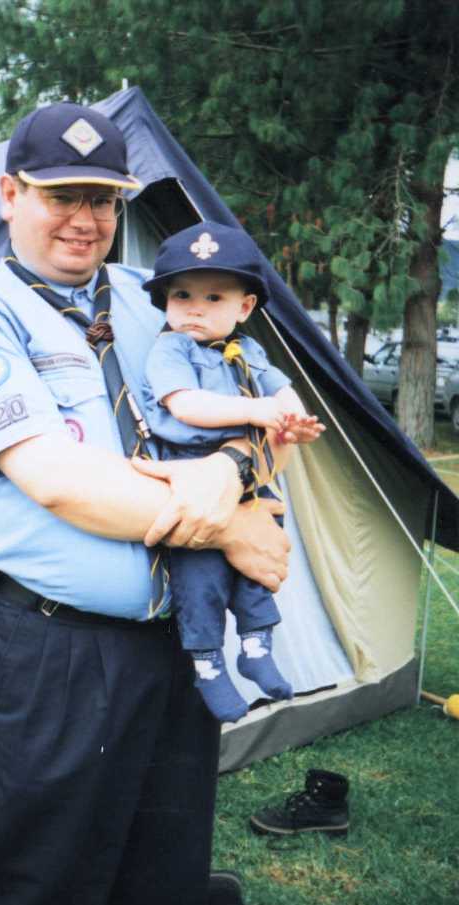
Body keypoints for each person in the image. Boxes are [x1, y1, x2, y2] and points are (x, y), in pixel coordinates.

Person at [0, 101, 290, 905]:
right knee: (39, 890)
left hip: (176, 643)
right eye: (61, 195)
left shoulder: (154, 297)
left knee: (162, 891)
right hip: (54, 645)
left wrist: (237, 470)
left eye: (104, 197)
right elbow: (58, 478)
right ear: (10, 193)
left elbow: (250, 403)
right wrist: (231, 518)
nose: (86, 219)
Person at [142, 222, 325, 722]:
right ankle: (208, 664)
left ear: (244, 308)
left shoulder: (248, 350)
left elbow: (281, 392)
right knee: (199, 575)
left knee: (261, 557)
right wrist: (256, 413)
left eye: (213, 296)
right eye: (181, 295)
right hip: (191, 473)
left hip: (247, 481)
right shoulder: (171, 348)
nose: (194, 308)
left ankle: (256, 644)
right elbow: (186, 406)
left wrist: (293, 421)